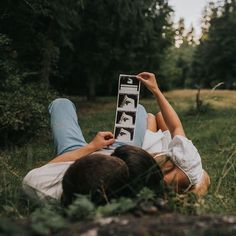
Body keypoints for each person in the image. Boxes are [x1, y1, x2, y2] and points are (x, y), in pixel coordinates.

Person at [22, 72, 210, 206]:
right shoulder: (129, 192)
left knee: (60, 104)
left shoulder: (38, 186)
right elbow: (202, 180)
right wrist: (156, 90)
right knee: (139, 110)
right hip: (121, 152)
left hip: (75, 154)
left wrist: (91, 147)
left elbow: (48, 167)